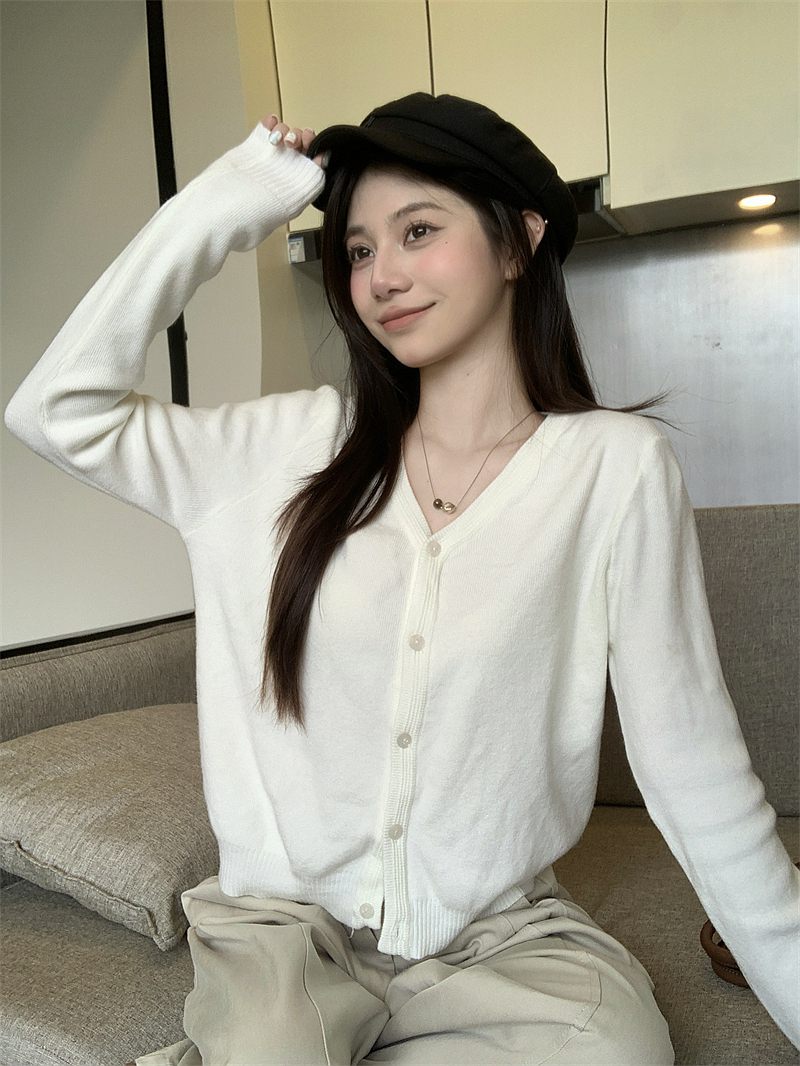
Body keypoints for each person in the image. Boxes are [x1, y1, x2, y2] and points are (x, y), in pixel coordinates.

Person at [5, 93, 798, 1065]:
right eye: (357, 248)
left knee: (622, 1052)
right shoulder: (277, 449)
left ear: (520, 242)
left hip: (502, 940)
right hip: (284, 940)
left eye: (417, 231)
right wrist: (225, 204)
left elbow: (691, 762)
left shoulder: (614, 468)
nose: (380, 275)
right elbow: (53, 409)